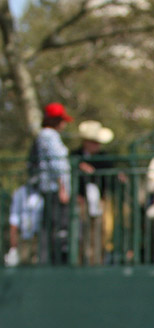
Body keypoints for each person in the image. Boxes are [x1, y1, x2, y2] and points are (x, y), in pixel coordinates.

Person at [27, 102, 72, 265]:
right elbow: (56, 164)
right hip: (53, 189)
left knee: (53, 225)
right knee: (55, 225)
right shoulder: (48, 136)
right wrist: (63, 188)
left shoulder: (47, 136)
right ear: (56, 120)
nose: (64, 124)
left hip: (52, 188)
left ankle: (51, 259)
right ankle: (53, 261)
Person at [74, 120, 116, 265]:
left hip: (99, 202)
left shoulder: (104, 158)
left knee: (99, 232)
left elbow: (109, 178)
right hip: (81, 202)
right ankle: (80, 261)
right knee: (81, 233)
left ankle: (96, 261)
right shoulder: (75, 156)